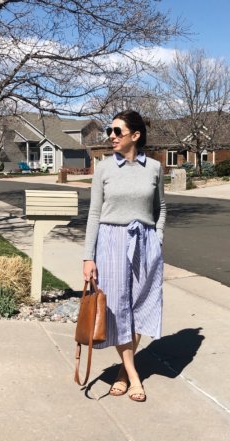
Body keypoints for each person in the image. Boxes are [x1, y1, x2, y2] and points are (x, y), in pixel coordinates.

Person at [83, 110, 166, 402]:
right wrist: (87, 257)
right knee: (117, 309)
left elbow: (161, 208)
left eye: (118, 131)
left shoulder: (154, 168)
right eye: (111, 131)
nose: (111, 136)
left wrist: (157, 239)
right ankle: (133, 376)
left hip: (145, 242)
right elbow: (94, 213)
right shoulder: (104, 168)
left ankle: (121, 371)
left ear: (135, 135)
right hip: (111, 241)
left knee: (141, 307)